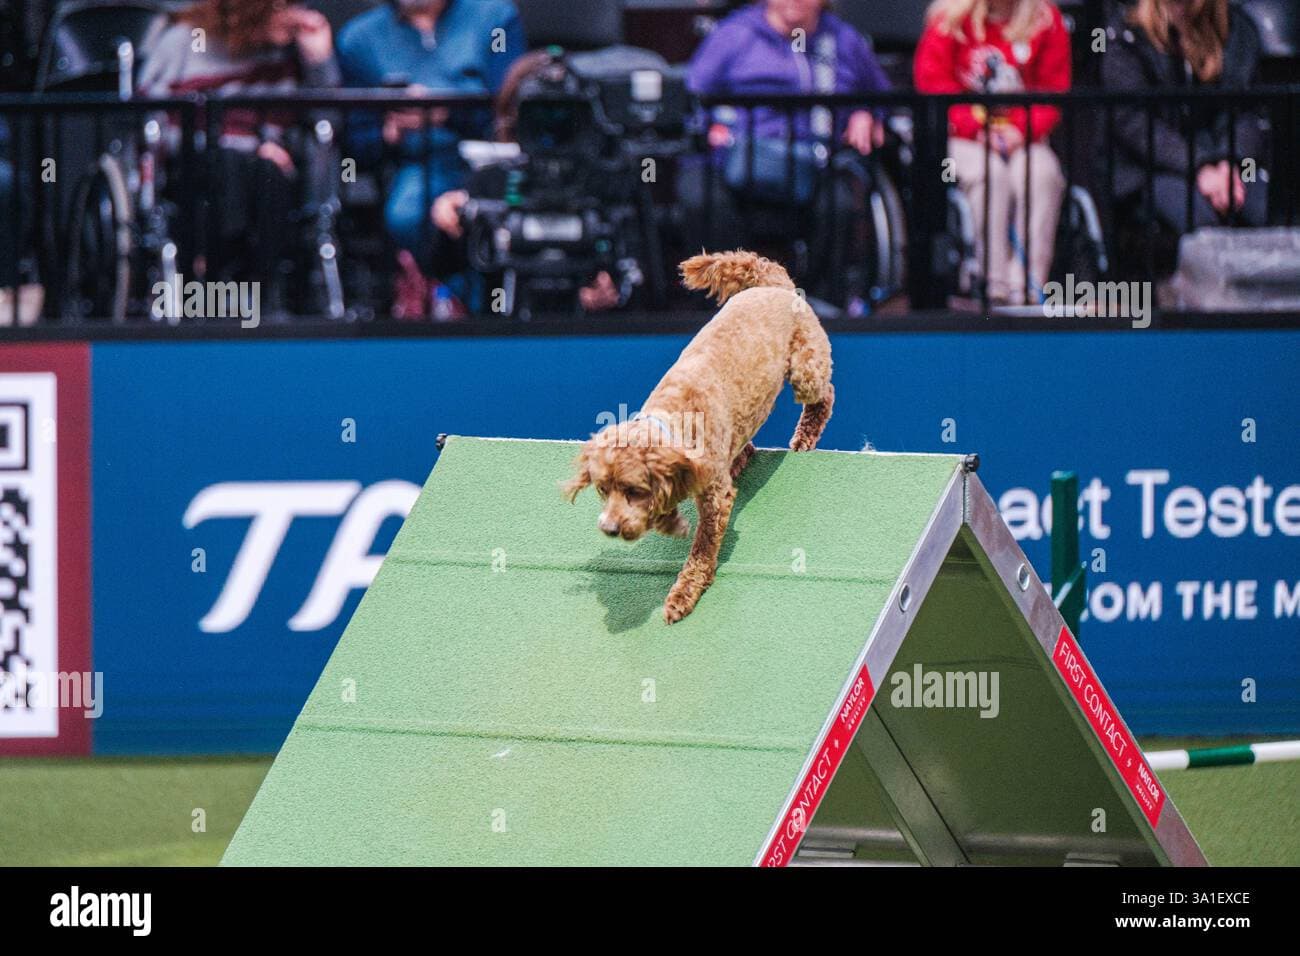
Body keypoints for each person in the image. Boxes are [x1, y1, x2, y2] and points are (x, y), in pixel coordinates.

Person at [681, 0, 893, 303]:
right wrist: (709, 127)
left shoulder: (844, 40)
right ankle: (730, 303)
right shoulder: (734, 35)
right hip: (731, 161)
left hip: (815, 164)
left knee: (841, 205)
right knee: (700, 199)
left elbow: (882, 95)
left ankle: (819, 306)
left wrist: (866, 112)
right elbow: (689, 96)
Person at [137, 0, 339, 300]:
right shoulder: (183, 41)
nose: (299, 14)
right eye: (284, 6)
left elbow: (327, 124)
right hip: (194, 168)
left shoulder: (295, 49)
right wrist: (243, 147)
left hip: (273, 170)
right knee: (230, 163)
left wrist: (319, 63)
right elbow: (151, 124)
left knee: (265, 171)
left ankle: (263, 290)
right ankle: (221, 279)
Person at [336, 0, 525, 313]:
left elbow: (511, 111)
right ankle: (458, 304)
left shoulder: (496, 18)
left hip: (494, 160)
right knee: (407, 213)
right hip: (421, 163)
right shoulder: (358, 39)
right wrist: (388, 132)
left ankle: (500, 316)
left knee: (507, 215)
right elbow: (355, 144)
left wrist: (445, 113)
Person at [914, 0, 1071, 305]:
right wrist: (977, 127)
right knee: (990, 175)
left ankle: (1027, 286)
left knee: (1043, 175)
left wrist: (1018, 131)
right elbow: (934, 84)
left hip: (1023, 135)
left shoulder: (1047, 19)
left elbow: (1053, 91)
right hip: (963, 136)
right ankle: (994, 285)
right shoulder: (948, 19)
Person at [1100, 0, 1268, 234]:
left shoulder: (1238, 27)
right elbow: (1134, 124)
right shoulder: (1126, 33)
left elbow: (1250, 113)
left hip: (1234, 164)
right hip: (1151, 170)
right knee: (1200, 223)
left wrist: (1230, 162)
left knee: (1265, 210)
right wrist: (1199, 167)